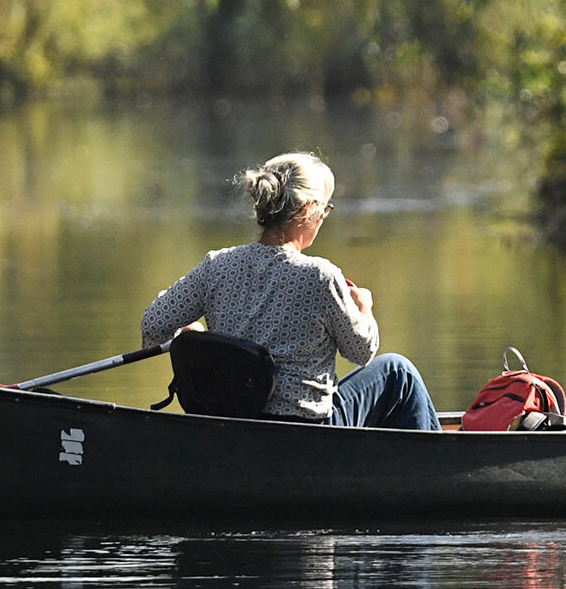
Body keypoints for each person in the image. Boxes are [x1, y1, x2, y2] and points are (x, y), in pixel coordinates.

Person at [142, 151, 441, 430]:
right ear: (309, 209)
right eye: (325, 208)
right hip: (309, 434)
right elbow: (361, 351)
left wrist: (187, 332)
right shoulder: (320, 277)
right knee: (398, 372)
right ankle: (432, 468)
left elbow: (153, 324)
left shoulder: (216, 266)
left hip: (235, 428)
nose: (324, 217)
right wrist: (364, 308)